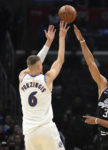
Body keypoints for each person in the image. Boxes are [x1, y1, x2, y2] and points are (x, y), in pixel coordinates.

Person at [19, 21, 69, 150]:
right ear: (41, 65)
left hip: (29, 133)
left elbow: (34, 63)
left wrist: (48, 43)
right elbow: (60, 60)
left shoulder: (22, 77)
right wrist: (61, 38)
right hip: (46, 129)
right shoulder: (47, 78)